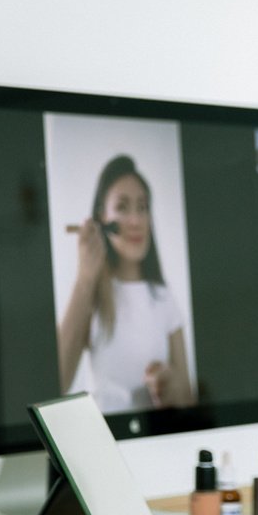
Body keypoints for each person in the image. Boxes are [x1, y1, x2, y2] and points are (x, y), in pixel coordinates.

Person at [57, 154, 193, 413]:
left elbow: (188, 396)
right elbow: (56, 381)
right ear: (101, 219)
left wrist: (172, 385)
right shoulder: (90, 296)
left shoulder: (164, 299)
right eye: (122, 207)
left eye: (142, 208)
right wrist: (86, 278)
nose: (135, 220)